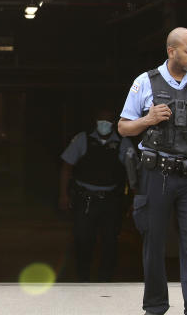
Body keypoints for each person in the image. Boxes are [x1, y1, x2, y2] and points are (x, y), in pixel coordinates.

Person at [118, 27, 187, 315]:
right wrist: (148, 119)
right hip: (157, 173)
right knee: (154, 241)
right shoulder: (145, 82)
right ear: (171, 51)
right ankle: (155, 306)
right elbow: (123, 126)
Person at [58, 107, 127, 282]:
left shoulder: (121, 142)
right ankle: (83, 279)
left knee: (110, 242)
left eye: (108, 121)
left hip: (110, 200)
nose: (104, 124)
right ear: (95, 122)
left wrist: (137, 197)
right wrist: (63, 195)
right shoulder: (83, 140)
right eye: (100, 120)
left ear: (114, 123)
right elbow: (67, 167)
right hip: (85, 199)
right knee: (83, 240)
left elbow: (132, 171)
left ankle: (105, 281)